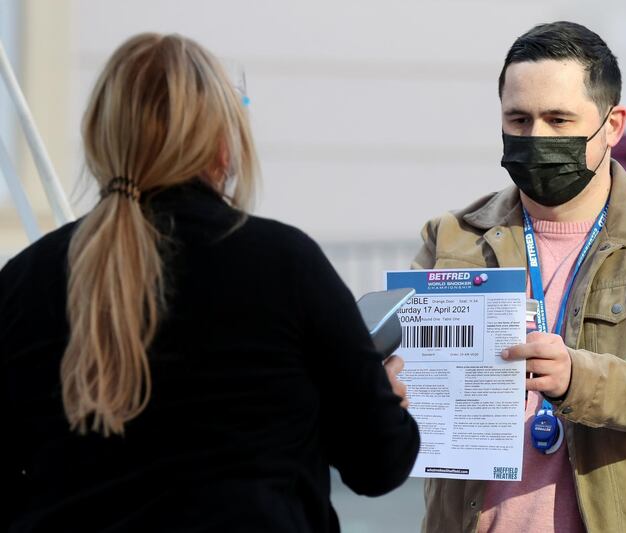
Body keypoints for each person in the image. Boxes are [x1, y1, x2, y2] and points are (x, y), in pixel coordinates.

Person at [0, 33, 419, 533]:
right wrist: (378, 401)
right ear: (223, 143)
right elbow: (378, 465)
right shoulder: (285, 264)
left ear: (100, 135)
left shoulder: (22, 282)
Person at [413, 21, 626, 532]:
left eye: (559, 120)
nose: (537, 137)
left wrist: (578, 377)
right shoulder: (450, 239)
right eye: (519, 119)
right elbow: (400, 374)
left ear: (613, 125)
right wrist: (390, 382)